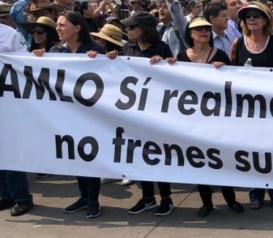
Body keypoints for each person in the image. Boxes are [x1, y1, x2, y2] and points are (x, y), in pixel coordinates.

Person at [162, 17, 244, 218]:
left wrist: (222, 70)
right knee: (199, 161)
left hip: (217, 118)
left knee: (222, 161)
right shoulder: (181, 57)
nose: (203, 32)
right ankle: (206, 202)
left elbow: (233, 82)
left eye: (206, 29)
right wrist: (168, 64)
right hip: (192, 118)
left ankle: (230, 199)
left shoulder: (221, 55)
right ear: (190, 34)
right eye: (198, 29)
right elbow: (173, 84)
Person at [32, 12, 105, 219]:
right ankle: (83, 196)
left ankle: (93, 200)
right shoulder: (55, 51)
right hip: (67, 115)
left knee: (90, 157)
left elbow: (109, 74)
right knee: (76, 157)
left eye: (62, 24)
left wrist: (102, 59)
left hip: (91, 116)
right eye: (57, 25)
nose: (58, 28)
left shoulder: (94, 50)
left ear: (78, 28)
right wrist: (39, 59)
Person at [116, 11, 176, 216]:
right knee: (140, 156)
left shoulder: (161, 48)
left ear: (145, 29)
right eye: (128, 27)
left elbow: (174, 73)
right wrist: (112, 58)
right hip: (134, 111)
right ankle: (148, 196)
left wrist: (165, 62)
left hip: (157, 111)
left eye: (132, 27)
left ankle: (166, 197)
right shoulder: (127, 47)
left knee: (157, 155)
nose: (128, 30)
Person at [230, 2, 273, 209]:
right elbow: (231, 72)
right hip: (248, 110)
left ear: (266, 20)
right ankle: (255, 193)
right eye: (248, 16)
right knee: (251, 152)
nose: (251, 19)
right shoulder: (238, 43)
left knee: (272, 152)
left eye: (256, 15)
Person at [0, 22, 34, 217]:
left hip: (9, 100)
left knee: (10, 150)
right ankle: (6, 194)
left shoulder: (9, 34)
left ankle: (22, 197)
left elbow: (24, 63)